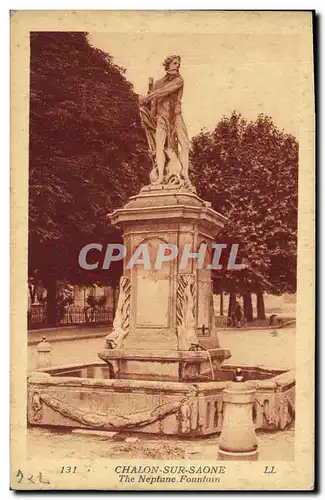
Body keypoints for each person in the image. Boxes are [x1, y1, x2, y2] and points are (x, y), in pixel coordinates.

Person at [139, 55, 190, 186]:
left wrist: (147, 97)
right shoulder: (157, 83)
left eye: (178, 63)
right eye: (175, 63)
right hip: (162, 117)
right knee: (159, 146)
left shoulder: (179, 80)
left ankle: (184, 173)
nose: (178, 65)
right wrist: (151, 116)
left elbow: (165, 91)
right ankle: (161, 176)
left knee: (184, 144)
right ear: (168, 65)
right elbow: (155, 103)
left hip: (176, 116)